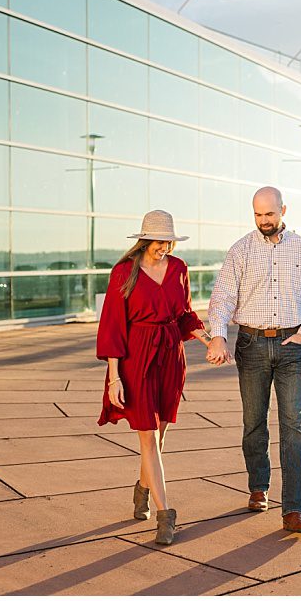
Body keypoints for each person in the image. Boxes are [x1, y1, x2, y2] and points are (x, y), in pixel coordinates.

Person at [206, 186, 301, 534]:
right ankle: (258, 487)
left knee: (294, 425)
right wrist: (218, 333)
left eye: (270, 214)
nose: (264, 221)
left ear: (283, 210)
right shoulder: (240, 251)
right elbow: (224, 297)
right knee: (254, 422)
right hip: (252, 345)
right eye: (258, 215)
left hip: (292, 348)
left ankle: (294, 509)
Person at [97, 210, 211, 546]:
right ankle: (166, 515)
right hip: (136, 358)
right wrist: (113, 378)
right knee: (147, 436)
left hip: (171, 356)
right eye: (160, 241)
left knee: (158, 438)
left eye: (169, 241)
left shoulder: (178, 268)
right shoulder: (124, 272)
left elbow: (186, 314)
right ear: (145, 240)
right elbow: (113, 325)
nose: (165, 247)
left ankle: (143, 487)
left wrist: (209, 341)